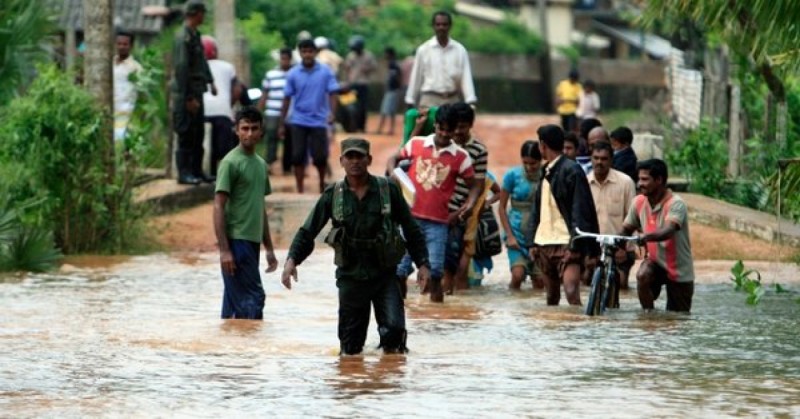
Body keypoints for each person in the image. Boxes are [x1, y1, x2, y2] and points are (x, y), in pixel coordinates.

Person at [281, 138, 431, 355]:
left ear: (369, 159)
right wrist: (291, 261)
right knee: (351, 349)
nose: (355, 161)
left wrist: (423, 264)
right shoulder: (333, 195)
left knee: (394, 336)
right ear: (341, 161)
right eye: (349, 157)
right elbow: (308, 231)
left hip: (384, 275)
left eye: (359, 156)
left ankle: (387, 382)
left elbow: (411, 228)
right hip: (351, 277)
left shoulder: (387, 189)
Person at [387, 104, 477, 303]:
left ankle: (437, 317)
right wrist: (394, 174)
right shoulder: (416, 144)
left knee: (436, 273)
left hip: (438, 223)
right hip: (408, 219)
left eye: (449, 130)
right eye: (441, 128)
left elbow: (475, 185)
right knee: (400, 270)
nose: (444, 134)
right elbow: (393, 158)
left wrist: (468, 206)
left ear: (455, 131)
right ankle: (399, 310)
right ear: (435, 126)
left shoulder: (461, 157)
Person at [213, 106, 278, 319]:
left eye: (254, 129)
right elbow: (218, 206)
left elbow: (259, 207)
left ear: (261, 132)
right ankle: (252, 350)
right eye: (245, 128)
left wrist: (268, 248)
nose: (249, 134)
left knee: (234, 307)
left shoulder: (260, 165)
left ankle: (234, 349)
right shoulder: (230, 163)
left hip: (252, 242)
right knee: (254, 298)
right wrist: (224, 250)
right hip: (236, 241)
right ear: (237, 131)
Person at [526, 124, 599, 306]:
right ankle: (559, 332)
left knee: (571, 291)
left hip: (566, 242)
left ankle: (577, 331)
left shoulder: (571, 170)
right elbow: (538, 208)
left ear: (543, 145)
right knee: (551, 297)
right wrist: (532, 242)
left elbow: (580, 209)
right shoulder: (546, 171)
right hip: (544, 242)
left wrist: (575, 246)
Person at [619, 159, 695, 312]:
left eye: (645, 179)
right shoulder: (639, 202)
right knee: (643, 275)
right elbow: (626, 230)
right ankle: (648, 318)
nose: (639, 183)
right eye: (639, 179)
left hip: (679, 269)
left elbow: (668, 230)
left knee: (678, 319)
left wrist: (646, 237)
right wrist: (615, 244)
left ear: (659, 180)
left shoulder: (676, 204)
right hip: (655, 263)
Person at [279, 39, 340, 194]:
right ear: (299, 53)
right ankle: (299, 188)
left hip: (319, 120)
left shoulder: (325, 71)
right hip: (298, 120)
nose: (307, 54)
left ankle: (321, 184)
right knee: (298, 156)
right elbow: (286, 98)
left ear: (315, 52)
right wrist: (281, 123)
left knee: (320, 156)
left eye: (310, 51)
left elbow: (333, 93)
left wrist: (332, 113)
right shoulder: (293, 73)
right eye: (304, 51)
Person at [171, 0, 216, 185]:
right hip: (186, 93)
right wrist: (188, 98)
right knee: (186, 133)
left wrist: (211, 81)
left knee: (198, 133)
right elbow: (182, 68)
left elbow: (201, 61)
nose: (203, 16)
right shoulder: (183, 37)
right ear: (195, 13)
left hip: (197, 90)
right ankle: (184, 173)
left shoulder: (195, 35)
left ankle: (197, 171)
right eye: (202, 13)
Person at [442, 102, 485, 293]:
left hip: (460, 213)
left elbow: (479, 185)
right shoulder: (442, 144)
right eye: (455, 126)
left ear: (470, 125)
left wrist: (462, 212)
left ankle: (450, 306)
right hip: (436, 212)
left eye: (463, 126)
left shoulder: (478, 151)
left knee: (453, 264)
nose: (458, 131)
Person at [585, 141, 637, 291]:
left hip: (620, 246)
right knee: (585, 281)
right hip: (593, 247)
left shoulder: (626, 183)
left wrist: (625, 249)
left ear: (611, 160)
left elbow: (632, 217)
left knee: (620, 284)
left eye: (604, 159)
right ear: (591, 159)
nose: (599, 162)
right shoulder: (583, 183)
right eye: (595, 158)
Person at [405, 10, 477, 108]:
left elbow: (466, 76)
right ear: (433, 26)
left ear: (450, 26)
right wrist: (410, 99)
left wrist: (470, 100)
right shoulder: (423, 50)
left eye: (444, 24)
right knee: (430, 123)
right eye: (438, 24)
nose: (441, 27)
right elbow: (416, 76)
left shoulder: (460, 50)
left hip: (452, 100)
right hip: (429, 100)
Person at [498, 140, 545, 290]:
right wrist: (510, 236)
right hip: (516, 233)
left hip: (539, 236)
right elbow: (501, 207)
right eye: (525, 163)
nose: (529, 167)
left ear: (541, 160)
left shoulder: (547, 175)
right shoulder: (512, 176)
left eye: (533, 163)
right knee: (517, 275)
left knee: (540, 282)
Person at [202, 35, 237, 178]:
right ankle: (224, 178)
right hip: (222, 111)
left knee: (205, 146)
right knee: (223, 149)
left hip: (203, 111)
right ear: (215, 51)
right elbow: (238, 89)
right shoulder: (228, 67)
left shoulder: (197, 67)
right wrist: (230, 104)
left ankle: (208, 174)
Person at [258, 47, 293, 175]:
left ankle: (287, 167)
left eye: (286, 59)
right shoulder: (271, 74)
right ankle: (269, 164)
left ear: (290, 59)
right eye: (282, 58)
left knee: (289, 140)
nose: (284, 61)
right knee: (271, 137)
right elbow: (264, 94)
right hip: (272, 111)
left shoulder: (295, 74)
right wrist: (259, 111)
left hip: (290, 113)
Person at [341, 35, 377, 133]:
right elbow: (346, 68)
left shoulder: (368, 55)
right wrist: (347, 81)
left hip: (363, 84)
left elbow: (374, 67)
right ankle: (351, 126)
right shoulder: (351, 56)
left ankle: (361, 127)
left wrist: (366, 69)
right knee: (351, 106)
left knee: (362, 107)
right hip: (352, 84)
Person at [112, 30, 142, 142]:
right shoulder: (108, 64)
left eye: (125, 44)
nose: (121, 47)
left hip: (126, 115)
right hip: (109, 113)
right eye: (119, 44)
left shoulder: (136, 68)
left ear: (131, 46)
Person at [375, 47, 402, 136]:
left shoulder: (393, 65)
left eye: (386, 53)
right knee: (389, 110)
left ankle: (381, 129)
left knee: (386, 110)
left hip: (392, 90)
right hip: (392, 90)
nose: (385, 55)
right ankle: (389, 129)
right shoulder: (393, 65)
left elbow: (397, 78)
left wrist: (397, 87)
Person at [555, 69, 581, 133]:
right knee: (565, 127)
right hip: (563, 110)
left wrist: (567, 100)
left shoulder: (578, 86)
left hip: (573, 111)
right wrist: (557, 104)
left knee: (571, 128)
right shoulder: (563, 84)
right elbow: (558, 96)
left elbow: (578, 100)